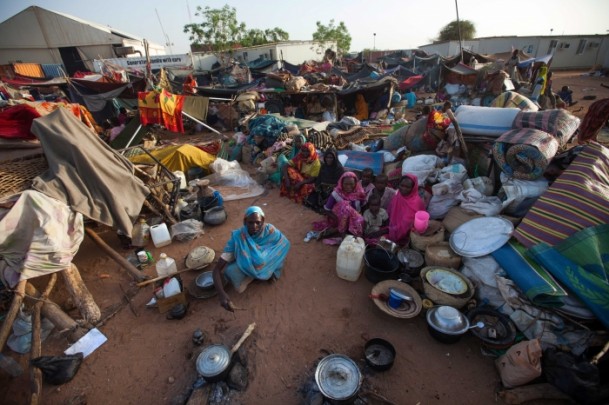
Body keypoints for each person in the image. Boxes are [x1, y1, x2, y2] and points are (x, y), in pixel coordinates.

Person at [212, 206, 291, 311]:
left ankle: (266, 271)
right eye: (250, 222)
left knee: (261, 260)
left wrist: (271, 258)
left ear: (263, 220)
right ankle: (256, 274)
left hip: (264, 263)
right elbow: (216, 269)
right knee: (230, 272)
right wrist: (221, 294)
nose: (254, 226)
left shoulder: (270, 231)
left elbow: (284, 243)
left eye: (258, 222)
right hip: (248, 266)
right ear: (245, 221)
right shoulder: (238, 237)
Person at [316, 171, 367, 238]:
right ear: (341, 183)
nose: (348, 186)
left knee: (361, 221)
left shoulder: (359, 193)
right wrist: (336, 219)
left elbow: (362, 208)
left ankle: (350, 233)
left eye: (351, 184)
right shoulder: (336, 193)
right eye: (346, 184)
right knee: (345, 205)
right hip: (337, 218)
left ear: (355, 183)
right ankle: (342, 233)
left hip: (352, 219)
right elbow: (326, 210)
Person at [386, 174, 425, 246]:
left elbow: (405, 226)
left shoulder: (415, 203)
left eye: (407, 187)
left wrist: (387, 230)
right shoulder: (399, 195)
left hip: (405, 234)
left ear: (413, 188)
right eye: (402, 185)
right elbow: (391, 210)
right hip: (392, 227)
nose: (403, 189)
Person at [304, 148, 344, 212]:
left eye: (331, 157)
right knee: (310, 199)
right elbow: (319, 178)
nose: (329, 159)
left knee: (331, 201)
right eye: (327, 157)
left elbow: (340, 184)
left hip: (333, 190)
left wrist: (329, 190)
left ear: (335, 158)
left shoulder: (339, 169)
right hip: (322, 189)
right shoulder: (323, 166)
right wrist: (318, 188)